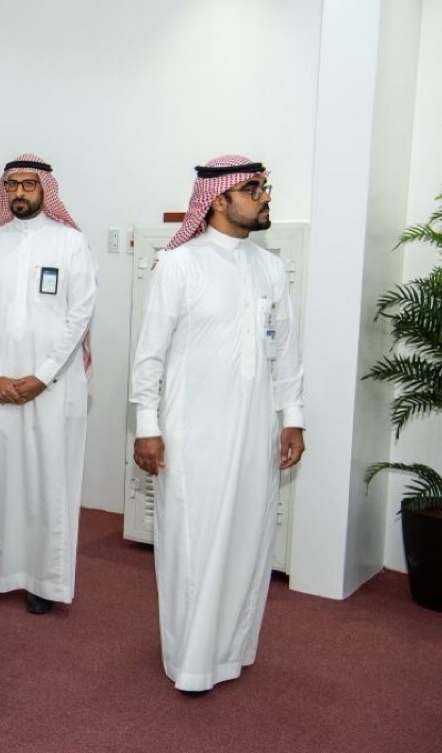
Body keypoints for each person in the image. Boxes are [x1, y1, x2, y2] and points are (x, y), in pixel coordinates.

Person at [130, 155, 305, 694]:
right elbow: (150, 354)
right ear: (219, 199)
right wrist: (146, 424)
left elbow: (287, 351)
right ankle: (191, 660)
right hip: (192, 431)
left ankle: (230, 648)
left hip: (255, 432)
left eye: (265, 187)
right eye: (253, 189)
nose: (264, 197)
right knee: (193, 542)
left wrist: (293, 418)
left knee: (248, 539)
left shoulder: (269, 267)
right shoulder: (179, 265)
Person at [0, 153, 97, 615]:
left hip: (53, 386)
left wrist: (43, 375)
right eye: (11, 185)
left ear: (45, 189)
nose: (19, 192)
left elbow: (80, 313)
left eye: (28, 184)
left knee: (48, 481)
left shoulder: (71, 243)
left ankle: (44, 579)